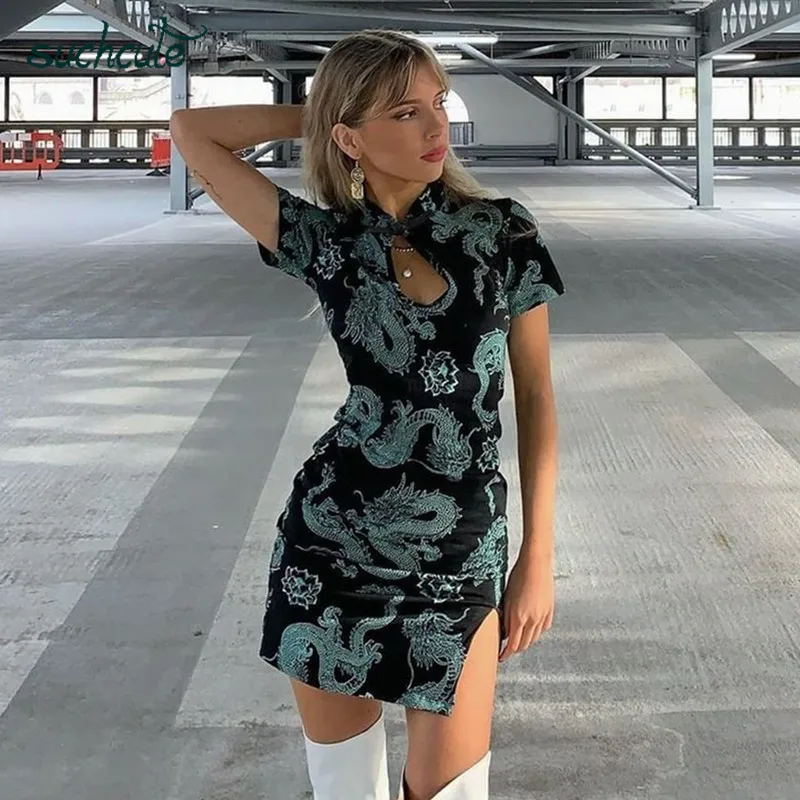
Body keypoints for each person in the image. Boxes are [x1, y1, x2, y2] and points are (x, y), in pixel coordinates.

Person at [171, 29, 564, 800]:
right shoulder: (324, 240)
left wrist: (538, 558)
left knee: (453, 791)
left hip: (461, 549)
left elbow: (538, 396)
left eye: (438, 102)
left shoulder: (502, 232)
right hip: (330, 546)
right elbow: (192, 131)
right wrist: (323, 115)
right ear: (349, 137)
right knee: (345, 787)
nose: (436, 127)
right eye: (405, 112)